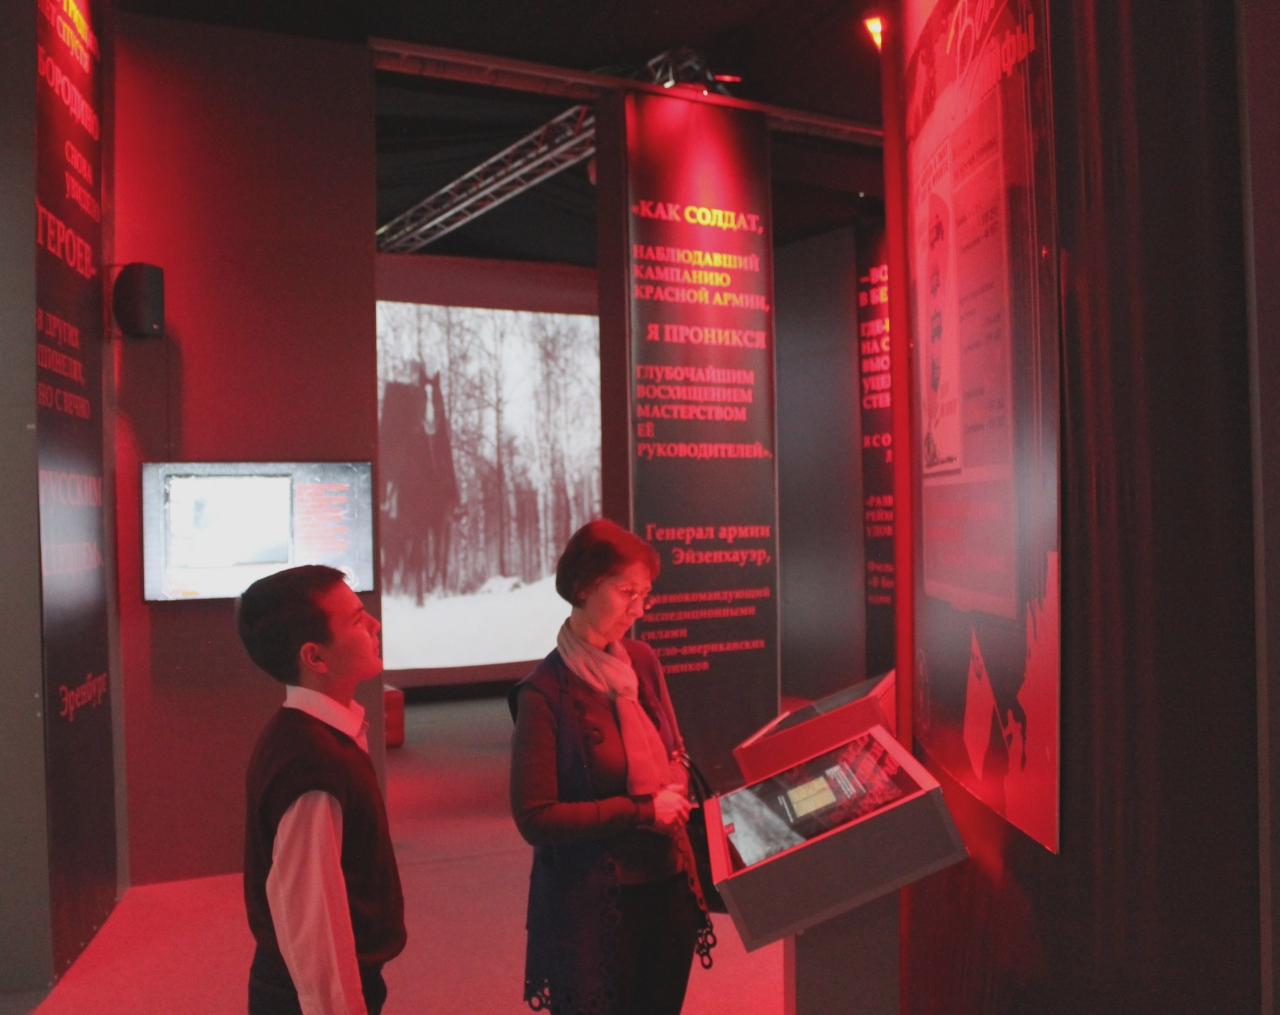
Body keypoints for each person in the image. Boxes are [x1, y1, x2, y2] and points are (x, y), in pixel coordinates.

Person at [509, 519, 716, 1015]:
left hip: (669, 887)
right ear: (583, 586)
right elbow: (536, 817)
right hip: (596, 906)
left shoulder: (641, 660)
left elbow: (675, 748)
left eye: (645, 595)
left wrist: (675, 781)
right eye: (627, 592)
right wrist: (643, 810)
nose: (638, 609)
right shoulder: (544, 692)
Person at [237, 565, 406, 1015]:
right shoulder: (312, 764)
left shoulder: (315, 736)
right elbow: (314, 921)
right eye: (357, 620)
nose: (375, 625)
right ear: (315, 657)